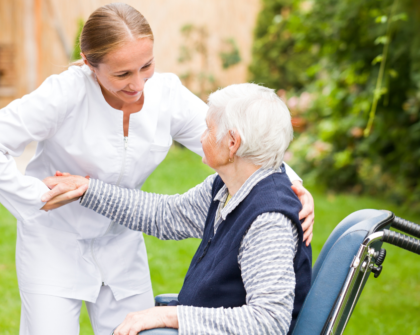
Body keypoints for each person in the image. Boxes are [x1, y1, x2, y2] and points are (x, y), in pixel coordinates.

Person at [0, 3, 314, 335]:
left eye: (146, 66)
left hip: (121, 242)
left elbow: (248, 144)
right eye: (123, 73)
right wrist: (38, 197)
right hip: (55, 242)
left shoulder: (166, 94)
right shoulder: (64, 94)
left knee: (140, 330)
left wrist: (293, 187)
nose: (138, 84)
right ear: (88, 63)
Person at [41, 83, 312, 335]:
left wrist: (172, 316)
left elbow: (269, 322)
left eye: (208, 129)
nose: (200, 135)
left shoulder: (268, 221)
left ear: (232, 143)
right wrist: (89, 190)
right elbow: (166, 215)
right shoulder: (228, 187)